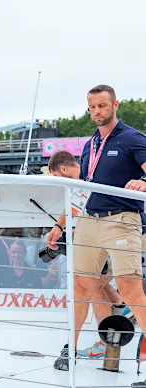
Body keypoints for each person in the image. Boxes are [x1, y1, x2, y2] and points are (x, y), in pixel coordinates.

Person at [47, 85, 146, 372]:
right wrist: (59, 226)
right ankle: (71, 348)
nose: (97, 112)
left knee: (129, 287)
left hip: (122, 219)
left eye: (102, 106)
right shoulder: (91, 144)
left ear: (116, 104)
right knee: (80, 285)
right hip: (90, 220)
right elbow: (83, 191)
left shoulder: (132, 138)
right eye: (92, 107)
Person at [48, 150, 142, 360]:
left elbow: (77, 204)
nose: (57, 180)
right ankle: (119, 307)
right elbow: (75, 205)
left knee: (93, 284)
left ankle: (107, 337)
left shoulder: (89, 175)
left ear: (63, 169)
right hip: (114, 230)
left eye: (56, 176)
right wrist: (59, 226)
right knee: (90, 282)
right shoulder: (86, 179)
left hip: (132, 229)